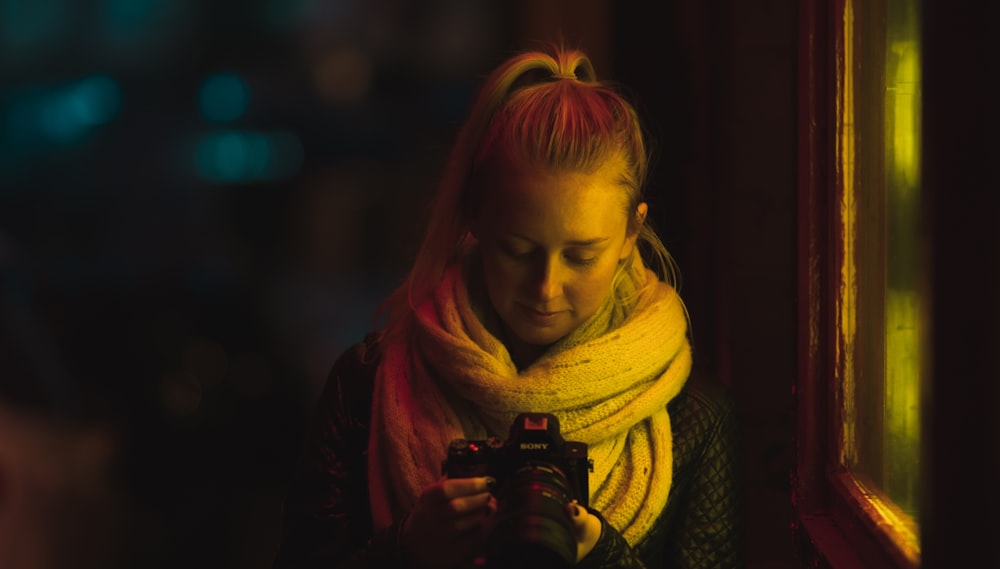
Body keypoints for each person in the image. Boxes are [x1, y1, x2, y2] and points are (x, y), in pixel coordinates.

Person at [272, 44, 744, 569]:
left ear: (632, 231)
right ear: (475, 219)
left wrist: (604, 557)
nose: (545, 288)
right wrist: (407, 550)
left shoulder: (690, 417)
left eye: (581, 256)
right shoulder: (367, 386)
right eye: (518, 251)